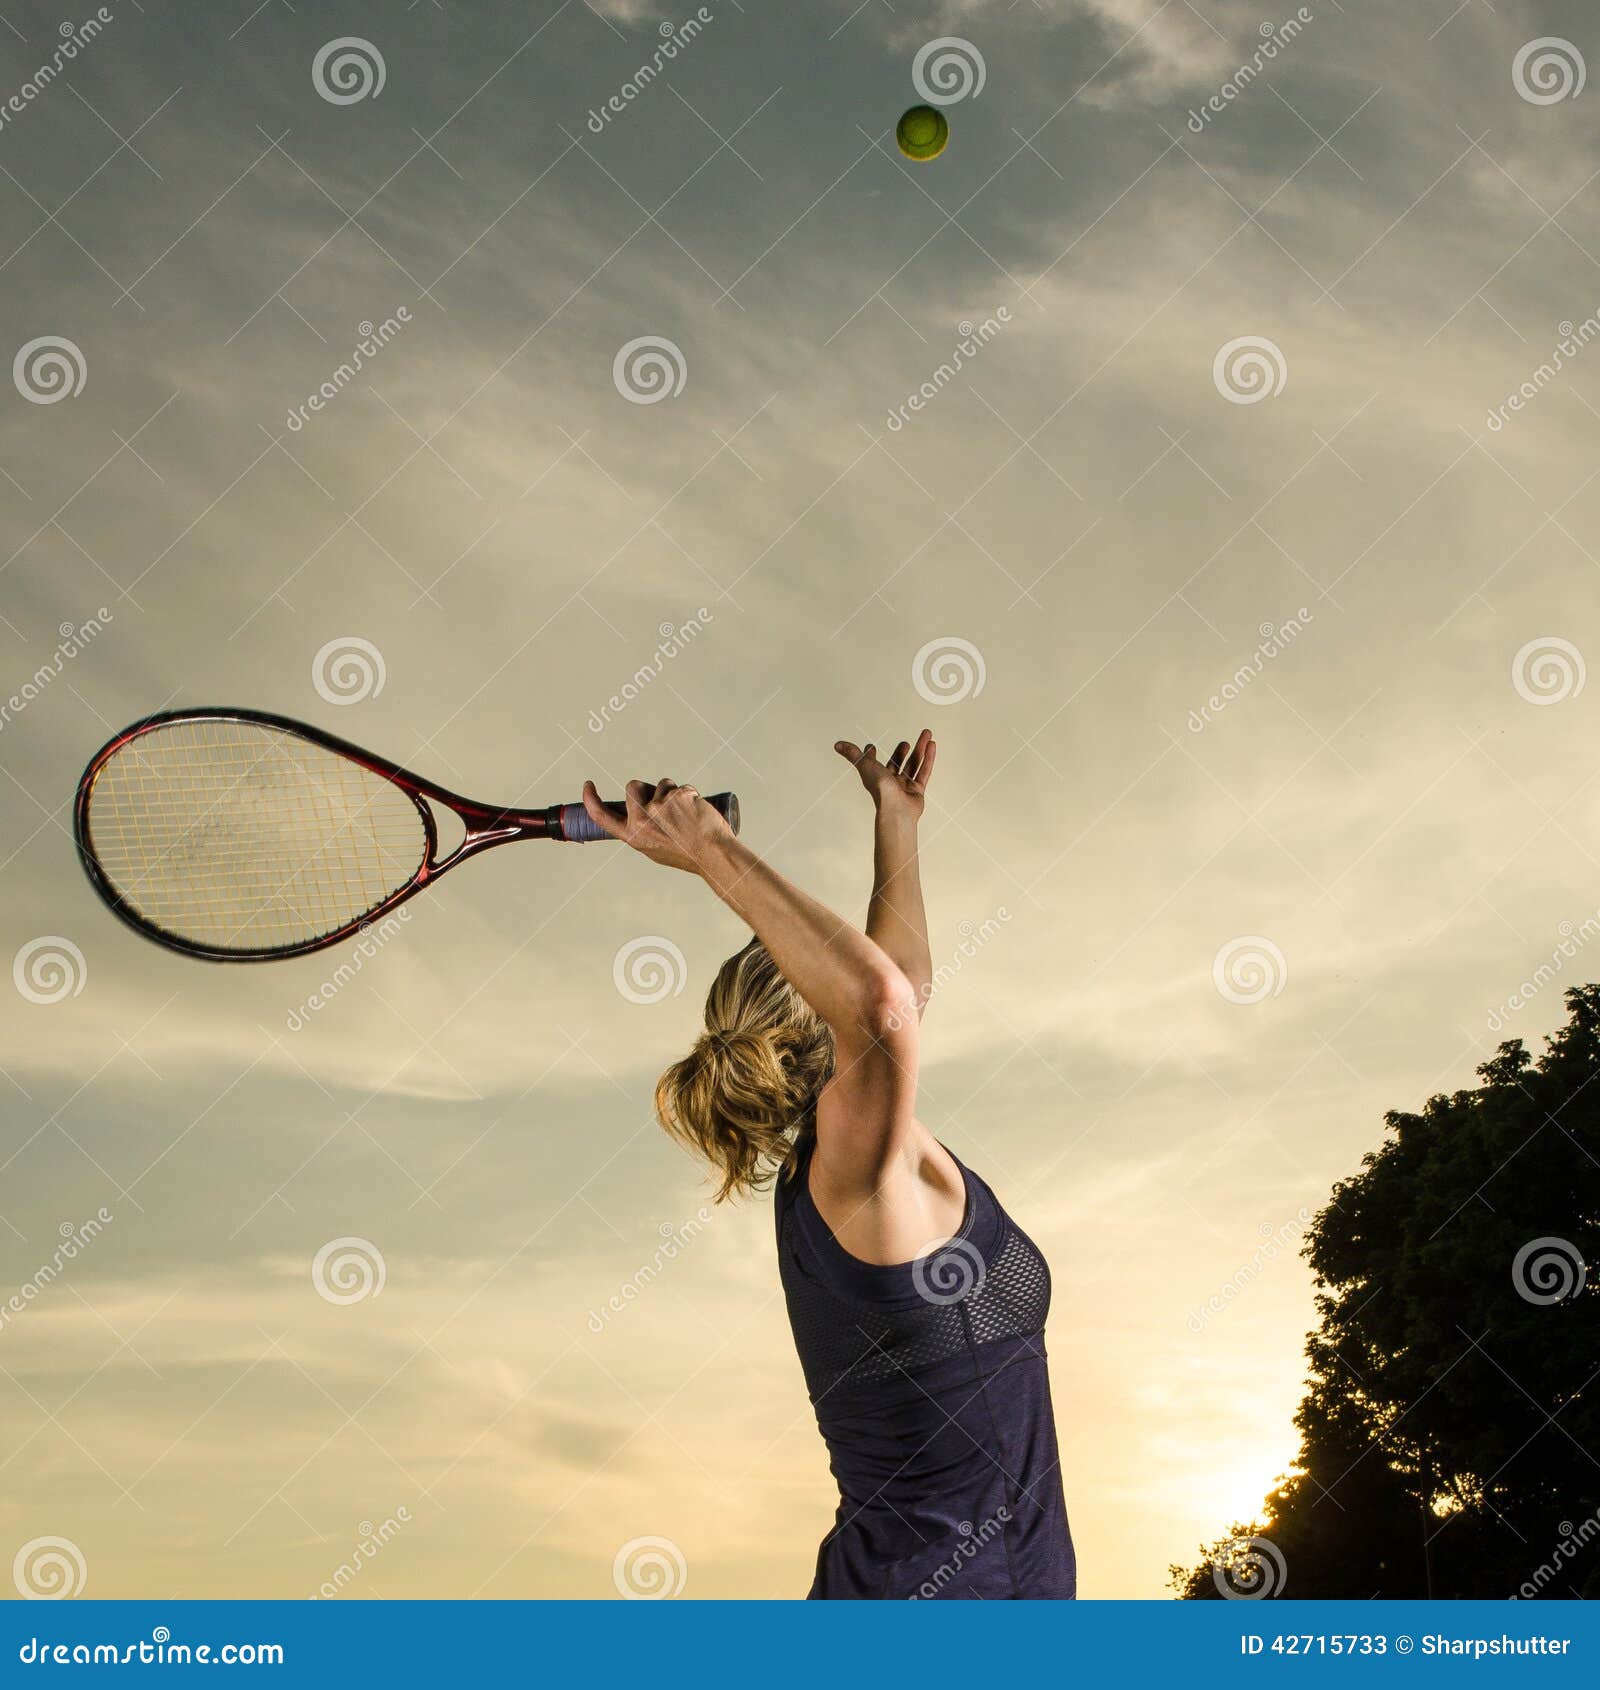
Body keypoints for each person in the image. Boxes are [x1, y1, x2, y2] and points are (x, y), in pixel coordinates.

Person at [582, 731, 1075, 1600]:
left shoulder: (877, 1156)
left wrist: (897, 822)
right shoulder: (849, 1177)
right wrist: (708, 849)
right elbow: (882, 1000)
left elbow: (897, 987)